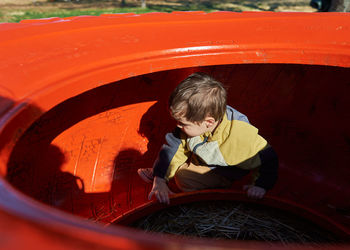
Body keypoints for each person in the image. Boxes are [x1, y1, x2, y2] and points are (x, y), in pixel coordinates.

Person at [137, 72, 278, 204]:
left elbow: (268, 158)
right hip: (202, 156)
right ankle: (162, 171)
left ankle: (211, 195)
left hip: (221, 171)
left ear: (208, 122)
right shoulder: (196, 123)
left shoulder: (239, 137)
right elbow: (172, 148)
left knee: (184, 177)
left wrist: (260, 186)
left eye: (183, 123)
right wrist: (160, 178)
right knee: (170, 160)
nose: (178, 126)